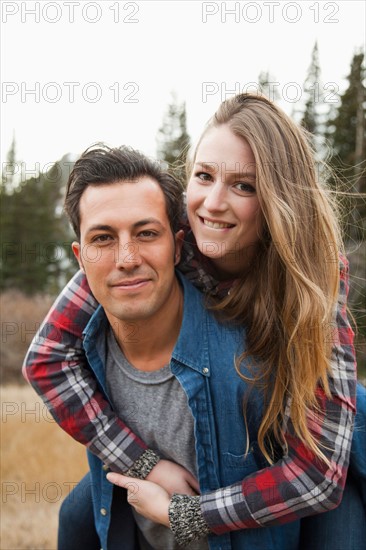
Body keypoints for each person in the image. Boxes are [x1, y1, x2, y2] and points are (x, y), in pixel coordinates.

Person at [23, 94, 364, 548]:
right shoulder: (159, 237)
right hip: (232, 431)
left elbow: (318, 476)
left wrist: (185, 514)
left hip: (310, 440)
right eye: (204, 176)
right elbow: (48, 356)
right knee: (77, 515)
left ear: (279, 200)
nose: (213, 203)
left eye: (244, 186)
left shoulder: (310, 277)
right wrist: (147, 465)